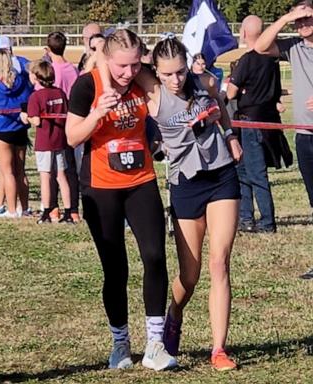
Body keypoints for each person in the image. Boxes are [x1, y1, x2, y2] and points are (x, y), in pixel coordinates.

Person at [102, 34, 242, 370]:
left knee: (219, 263)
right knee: (189, 276)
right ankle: (174, 314)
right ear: (155, 70)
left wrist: (231, 134)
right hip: (185, 184)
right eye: (167, 74)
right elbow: (106, 57)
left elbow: (221, 105)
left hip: (221, 176)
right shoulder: (152, 90)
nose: (175, 80)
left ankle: (218, 349)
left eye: (180, 72)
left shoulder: (203, 80)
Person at [66, 29, 177, 371]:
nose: (128, 73)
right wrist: (97, 115)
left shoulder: (140, 79)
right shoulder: (87, 86)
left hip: (141, 180)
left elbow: (166, 97)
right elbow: (72, 137)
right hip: (101, 187)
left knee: (155, 257)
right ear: (107, 59)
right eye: (121, 66)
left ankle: (155, 344)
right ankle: (120, 344)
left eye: (134, 64)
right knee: (115, 269)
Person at [255, 0, 313, 278]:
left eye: (308, 18)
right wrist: (286, 18)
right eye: (299, 21)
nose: (303, 24)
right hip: (305, 134)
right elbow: (260, 47)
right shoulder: (294, 47)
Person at [227, 15, 293, 234]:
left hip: (249, 122)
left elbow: (230, 92)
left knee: (255, 173)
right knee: (244, 171)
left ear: (243, 33)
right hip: (267, 121)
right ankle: (246, 218)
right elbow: (274, 92)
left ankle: (266, 222)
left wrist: (237, 87)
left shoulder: (248, 59)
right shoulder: (272, 61)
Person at [0, 36, 33, 218]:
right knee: (20, 170)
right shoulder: (23, 79)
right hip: (20, 128)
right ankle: (24, 208)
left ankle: (11, 210)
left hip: (2, 130)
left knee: (7, 171)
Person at [21, 60, 72, 224]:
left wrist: (25, 117)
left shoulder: (35, 96)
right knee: (61, 176)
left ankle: (46, 211)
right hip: (60, 140)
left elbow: (36, 121)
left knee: (45, 177)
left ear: (36, 77)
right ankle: (69, 211)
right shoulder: (60, 93)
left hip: (44, 142)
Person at [43, 31, 81, 223]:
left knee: (52, 169)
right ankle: (72, 209)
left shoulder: (50, 71)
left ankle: (54, 208)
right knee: (69, 168)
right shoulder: (72, 69)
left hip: (54, 126)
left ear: (48, 49)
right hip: (71, 122)